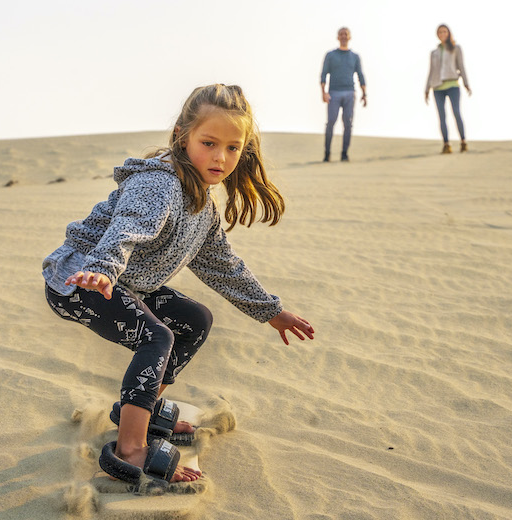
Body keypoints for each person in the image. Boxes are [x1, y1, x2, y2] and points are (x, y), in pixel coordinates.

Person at [42, 84, 315, 484]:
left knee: (195, 319)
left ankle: (142, 408)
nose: (221, 157)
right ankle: (129, 449)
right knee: (156, 337)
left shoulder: (202, 204)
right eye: (209, 143)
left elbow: (223, 266)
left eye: (233, 148)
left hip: (126, 282)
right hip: (83, 278)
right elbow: (127, 228)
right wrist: (103, 268)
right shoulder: (160, 185)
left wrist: (270, 311)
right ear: (182, 137)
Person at [320, 27, 367, 162]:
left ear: (349, 37)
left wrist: (364, 93)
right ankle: (327, 152)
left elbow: (360, 75)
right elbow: (323, 74)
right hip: (333, 93)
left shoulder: (355, 57)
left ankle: (344, 153)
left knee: (348, 123)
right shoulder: (330, 55)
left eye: (346, 34)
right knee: (330, 122)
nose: (343, 36)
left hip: (349, 93)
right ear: (338, 37)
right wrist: (323, 92)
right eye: (341, 34)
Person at [425, 24, 471, 154]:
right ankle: (446, 144)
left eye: (444, 31)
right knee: (442, 116)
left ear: (449, 33)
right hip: (437, 87)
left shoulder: (456, 49)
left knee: (456, 112)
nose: (442, 34)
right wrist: (426, 88)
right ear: (437, 35)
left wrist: (466, 83)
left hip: (452, 85)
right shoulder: (434, 53)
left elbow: (461, 66)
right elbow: (431, 71)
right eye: (440, 32)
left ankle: (463, 141)